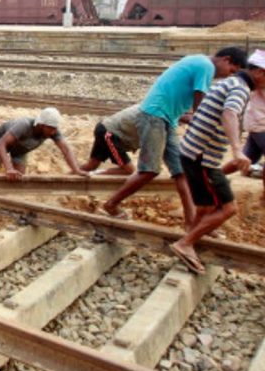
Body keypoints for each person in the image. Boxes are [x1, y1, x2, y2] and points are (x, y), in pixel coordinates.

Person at [100, 47, 247, 224]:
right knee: (149, 170)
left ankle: (191, 223)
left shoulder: (199, 61)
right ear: (226, 59)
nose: (228, 75)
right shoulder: (206, 66)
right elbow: (199, 103)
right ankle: (111, 204)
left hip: (167, 118)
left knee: (181, 173)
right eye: (231, 70)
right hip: (155, 115)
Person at [169, 51, 265, 274]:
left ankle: (192, 235)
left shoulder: (230, 82)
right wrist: (237, 150)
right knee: (228, 208)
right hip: (202, 157)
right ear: (260, 73)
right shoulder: (240, 89)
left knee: (207, 205)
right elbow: (229, 113)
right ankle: (185, 244)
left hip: (193, 152)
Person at [0, 107, 88, 179]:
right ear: (41, 124)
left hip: (21, 148)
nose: (54, 131)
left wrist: (76, 169)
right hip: (2, 141)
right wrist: (9, 168)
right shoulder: (23, 125)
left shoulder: (53, 131)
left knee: (18, 178)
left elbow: (65, 149)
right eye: (51, 128)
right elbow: (1, 144)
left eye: (55, 128)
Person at [80, 104, 142, 176]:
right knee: (130, 170)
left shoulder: (147, 107)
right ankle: (91, 174)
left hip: (104, 127)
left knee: (91, 165)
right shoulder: (149, 114)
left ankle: (72, 174)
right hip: (109, 133)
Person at [242, 56, 265, 203]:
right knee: (244, 160)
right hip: (260, 124)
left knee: (244, 160)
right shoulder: (256, 83)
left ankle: (212, 178)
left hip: (256, 124)